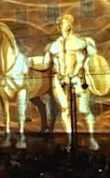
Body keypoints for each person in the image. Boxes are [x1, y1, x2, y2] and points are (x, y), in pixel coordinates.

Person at [42, 14, 102, 150]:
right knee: (64, 110)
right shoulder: (53, 46)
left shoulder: (81, 41)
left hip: (77, 78)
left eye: (63, 22)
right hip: (59, 79)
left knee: (83, 109)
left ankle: (92, 137)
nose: (60, 25)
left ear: (70, 24)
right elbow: (45, 65)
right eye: (59, 23)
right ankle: (70, 141)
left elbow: (94, 61)